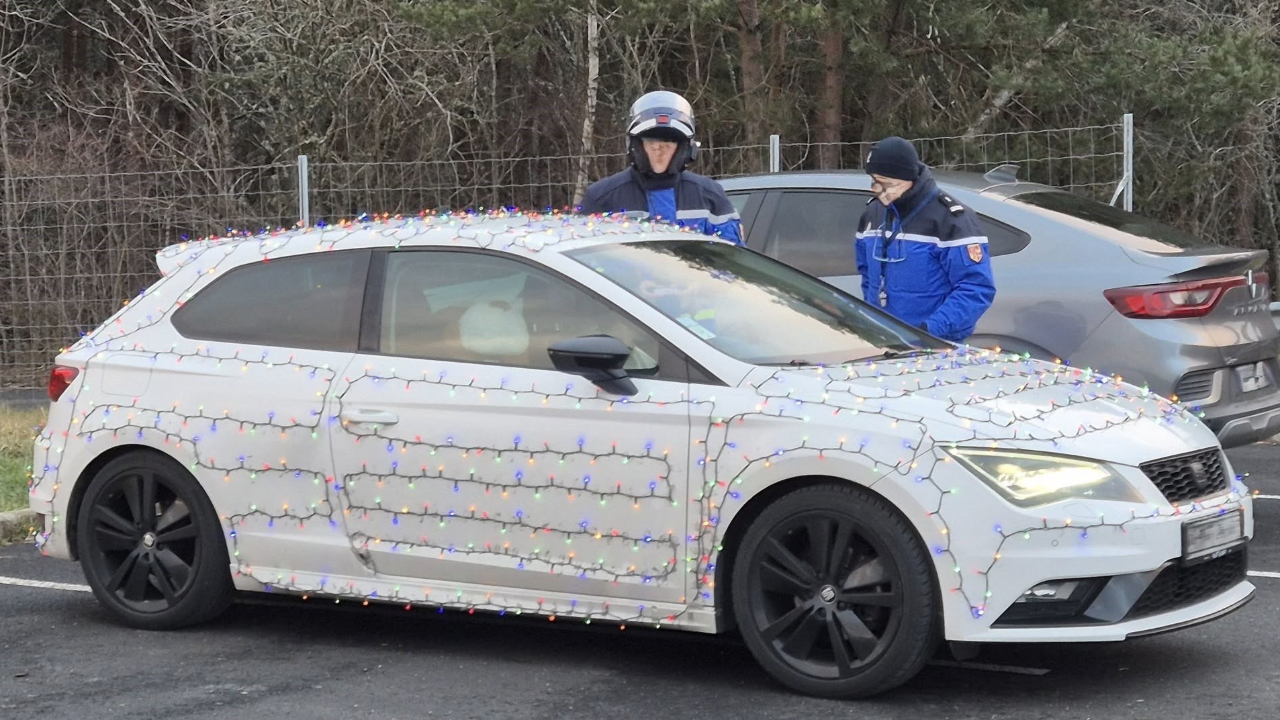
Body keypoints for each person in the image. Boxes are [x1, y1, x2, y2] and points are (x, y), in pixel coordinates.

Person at [854, 136, 995, 343]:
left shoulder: (951, 218)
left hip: (934, 344)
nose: (875, 189)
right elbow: (867, 272)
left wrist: (928, 331)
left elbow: (975, 289)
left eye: (884, 183)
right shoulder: (873, 212)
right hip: (883, 341)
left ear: (907, 180)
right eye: (874, 181)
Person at [579, 91, 743, 244]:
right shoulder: (602, 197)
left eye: (668, 144)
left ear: (685, 149)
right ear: (635, 147)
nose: (659, 151)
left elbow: (732, 256)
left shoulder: (710, 195)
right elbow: (580, 254)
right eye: (652, 143)